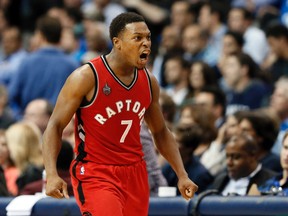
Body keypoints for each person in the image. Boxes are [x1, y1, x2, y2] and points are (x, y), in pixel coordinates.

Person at [42, 12, 198, 216]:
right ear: (118, 42)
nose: (146, 44)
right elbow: (54, 125)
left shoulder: (148, 81)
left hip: (135, 173)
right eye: (137, 38)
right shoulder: (87, 77)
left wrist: (182, 174)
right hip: (96, 172)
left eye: (148, 37)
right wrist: (52, 173)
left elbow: (160, 131)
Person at [210, 134, 276, 196]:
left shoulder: (271, 181)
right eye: (227, 157)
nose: (229, 163)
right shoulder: (220, 179)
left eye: (235, 157)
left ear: (252, 156)